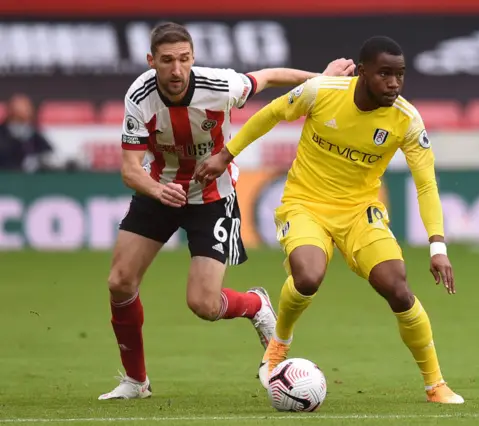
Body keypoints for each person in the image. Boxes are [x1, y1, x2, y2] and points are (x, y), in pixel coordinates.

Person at [195, 36, 464, 404]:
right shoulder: (321, 91)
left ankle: (436, 384)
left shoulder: (407, 119)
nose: (394, 84)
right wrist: (225, 155)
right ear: (362, 72)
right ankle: (279, 344)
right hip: (305, 204)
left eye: (400, 75)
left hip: (359, 212)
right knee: (307, 276)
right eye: (384, 74)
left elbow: (426, 185)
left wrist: (437, 246)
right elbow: (270, 114)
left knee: (398, 289)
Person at [99, 22, 355, 400]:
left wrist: (324, 79)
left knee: (203, 304)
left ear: (193, 58)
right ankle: (136, 382)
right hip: (160, 190)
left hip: (212, 197)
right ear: (151, 61)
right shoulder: (139, 94)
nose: (176, 69)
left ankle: (255, 305)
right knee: (120, 281)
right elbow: (129, 169)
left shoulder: (220, 86)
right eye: (167, 61)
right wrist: (157, 189)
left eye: (184, 59)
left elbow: (267, 77)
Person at [0, 94, 54, 172]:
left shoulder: (32, 133)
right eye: (21, 108)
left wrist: (37, 160)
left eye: (28, 108)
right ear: (10, 110)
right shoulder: (2, 133)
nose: (27, 111)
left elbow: (47, 151)